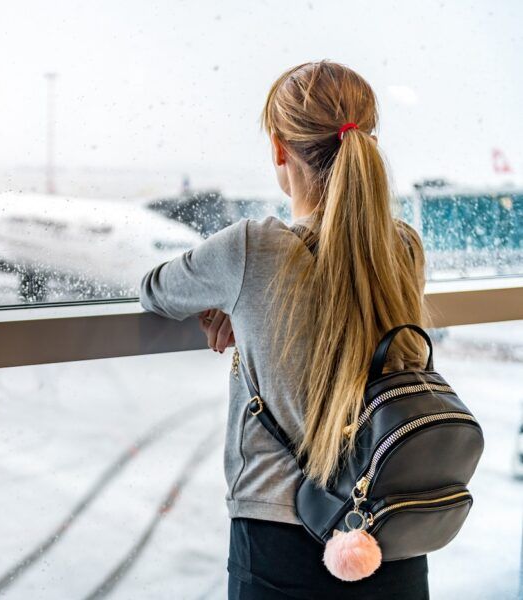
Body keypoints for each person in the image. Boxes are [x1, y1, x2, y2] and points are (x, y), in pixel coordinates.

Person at [139, 61, 430, 599]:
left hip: (279, 536)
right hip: (393, 525)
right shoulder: (405, 247)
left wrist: (233, 299)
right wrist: (245, 305)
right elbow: (343, 303)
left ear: (279, 148)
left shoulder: (252, 249)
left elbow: (154, 290)